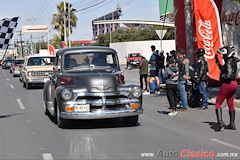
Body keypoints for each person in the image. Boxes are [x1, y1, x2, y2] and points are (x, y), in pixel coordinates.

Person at [214, 45, 239, 131]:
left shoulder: (228, 61)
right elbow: (226, 70)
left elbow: (228, 75)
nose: (223, 56)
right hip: (234, 83)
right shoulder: (232, 61)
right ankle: (232, 124)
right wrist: (218, 64)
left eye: (224, 55)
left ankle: (220, 123)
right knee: (230, 102)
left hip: (228, 83)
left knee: (218, 103)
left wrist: (222, 78)